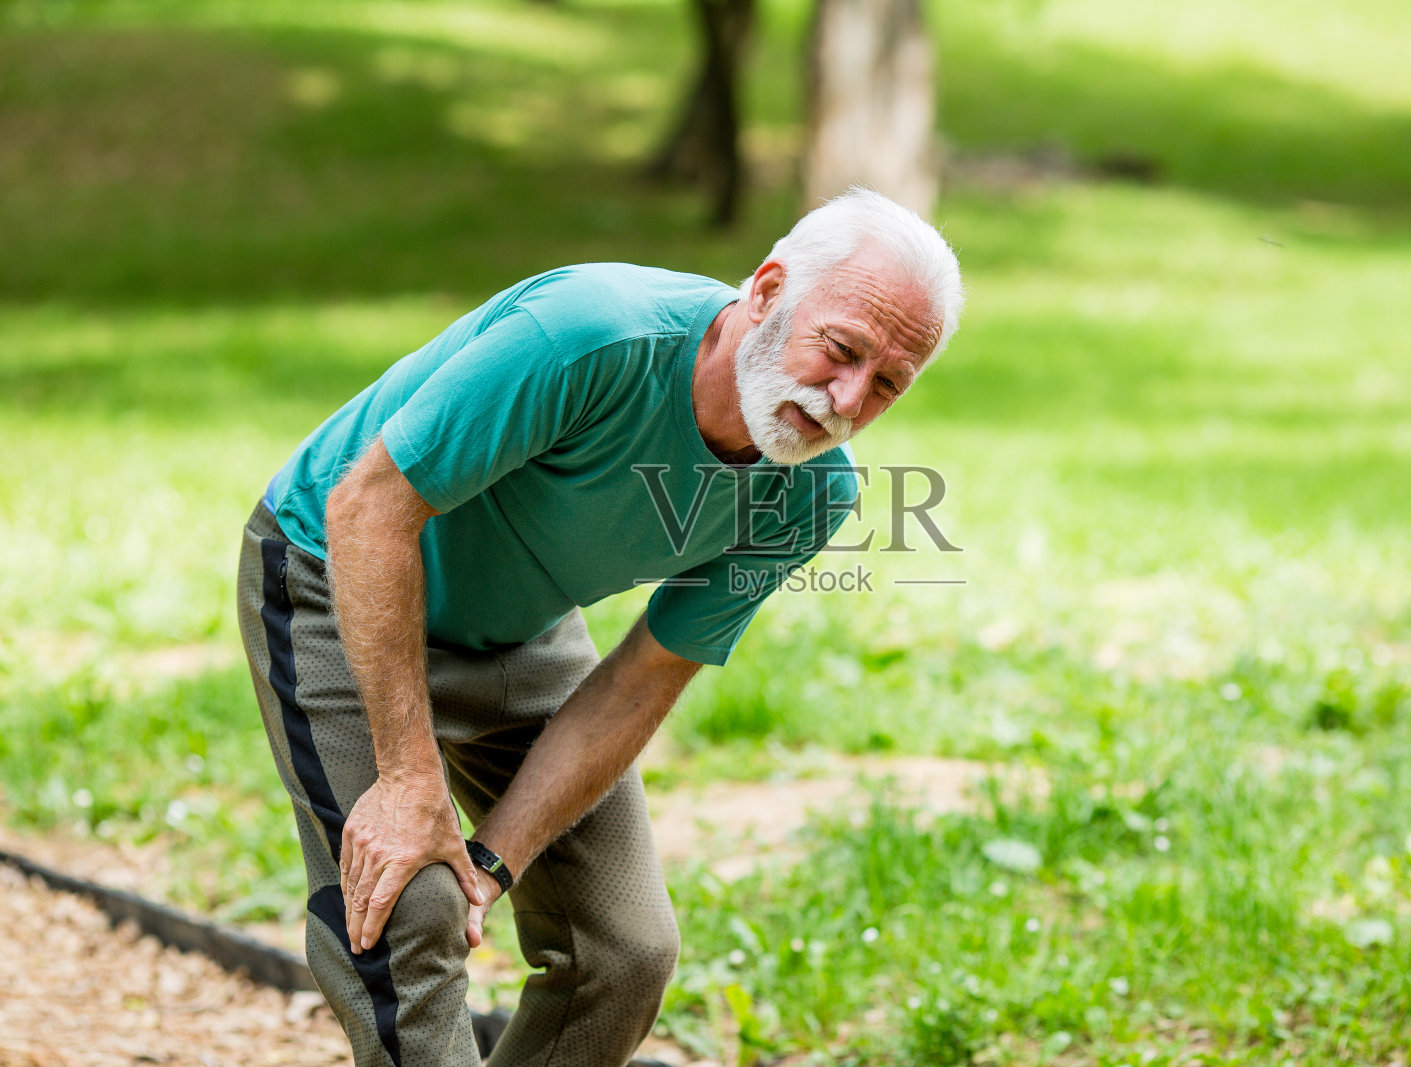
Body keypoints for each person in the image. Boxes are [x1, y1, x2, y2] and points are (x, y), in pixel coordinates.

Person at [235, 188, 963, 1067]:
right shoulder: (591, 335)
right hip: (334, 570)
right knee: (407, 908)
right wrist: (408, 781)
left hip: (520, 628)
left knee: (622, 954)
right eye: (840, 350)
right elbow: (371, 505)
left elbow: (641, 678)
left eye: (886, 384)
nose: (846, 398)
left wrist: (494, 861)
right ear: (768, 290)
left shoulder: (811, 493)